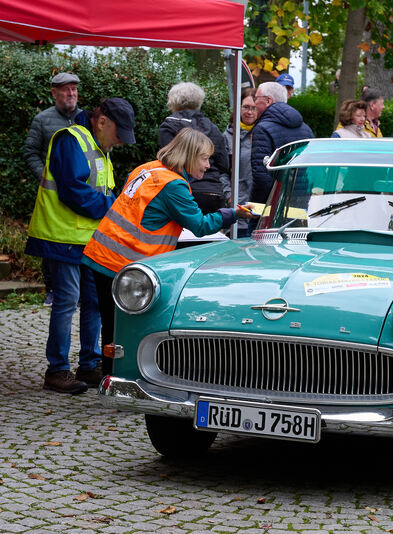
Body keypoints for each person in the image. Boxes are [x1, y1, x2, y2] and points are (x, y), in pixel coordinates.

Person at [83, 128, 255, 376]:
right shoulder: (173, 185)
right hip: (124, 261)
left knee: (111, 324)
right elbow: (199, 225)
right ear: (189, 156)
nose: (208, 165)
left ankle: (109, 374)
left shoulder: (148, 169)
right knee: (126, 326)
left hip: (102, 253)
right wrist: (233, 214)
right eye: (204, 158)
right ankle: (119, 378)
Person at [25, 97, 136, 394]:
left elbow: (93, 188)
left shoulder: (97, 144)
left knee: (95, 303)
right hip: (61, 238)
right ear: (102, 122)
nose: (121, 143)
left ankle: (89, 365)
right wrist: (113, 207)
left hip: (87, 240)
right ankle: (57, 370)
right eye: (118, 134)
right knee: (66, 302)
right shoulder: (71, 140)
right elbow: (73, 191)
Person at [23, 72, 87, 306]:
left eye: (74, 89)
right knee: (51, 241)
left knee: (80, 238)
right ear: (54, 93)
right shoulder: (42, 120)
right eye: (66, 89)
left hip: (80, 193)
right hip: (52, 196)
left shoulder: (86, 118)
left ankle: (78, 290)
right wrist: (45, 178)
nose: (71, 94)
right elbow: (30, 152)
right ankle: (52, 289)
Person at [158, 82, 231, 214]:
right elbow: (224, 164)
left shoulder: (169, 126)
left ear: (173, 102)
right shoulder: (212, 127)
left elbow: (169, 162)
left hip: (185, 192)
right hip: (213, 193)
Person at [249, 82, 314, 205]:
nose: (254, 103)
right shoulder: (306, 129)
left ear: (268, 101)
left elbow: (261, 176)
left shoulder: (262, 129)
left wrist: (256, 205)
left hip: (271, 206)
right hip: (300, 200)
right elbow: (310, 170)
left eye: (256, 98)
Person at [223, 89, 259, 236]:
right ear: (238, 108)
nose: (249, 112)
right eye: (246, 107)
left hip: (260, 209)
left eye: (254, 108)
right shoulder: (226, 137)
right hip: (238, 208)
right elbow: (221, 171)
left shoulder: (263, 134)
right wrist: (229, 195)